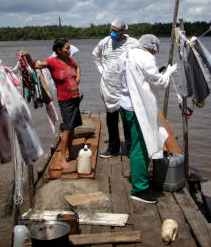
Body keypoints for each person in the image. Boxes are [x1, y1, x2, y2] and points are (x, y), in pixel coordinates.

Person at [118, 34, 177, 203]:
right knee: (140, 148)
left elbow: (135, 77)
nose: (154, 55)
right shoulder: (146, 57)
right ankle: (139, 190)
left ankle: (139, 178)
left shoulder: (126, 54)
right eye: (155, 52)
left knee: (136, 145)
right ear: (153, 48)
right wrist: (168, 73)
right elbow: (160, 83)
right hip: (138, 108)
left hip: (125, 105)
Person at [19, 38, 82, 169]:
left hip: (75, 97)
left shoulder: (69, 60)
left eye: (69, 48)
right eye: (67, 48)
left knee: (73, 128)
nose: (69, 50)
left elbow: (77, 67)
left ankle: (71, 153)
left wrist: (78, 78)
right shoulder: (52, 62)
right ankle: (62, 159)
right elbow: (35, 66)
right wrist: (28, 56)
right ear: (58, 50)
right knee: (68, 128)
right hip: (65, 100)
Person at [91, 19, 139, 158]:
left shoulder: (134, 43)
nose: (112, 33)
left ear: (124, 31)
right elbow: (95, 55)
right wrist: (101, 69)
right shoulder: (104, 42)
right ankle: (113, 148)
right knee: (111, 119)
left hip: (126, 87)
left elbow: (143, 58)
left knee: (128, 120)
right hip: (108, 86)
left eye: (116, 31)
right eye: (111, 29)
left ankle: (130, 149)